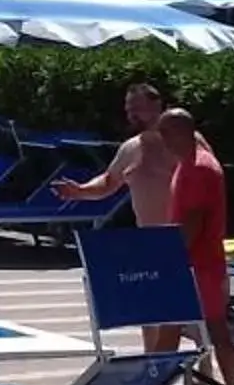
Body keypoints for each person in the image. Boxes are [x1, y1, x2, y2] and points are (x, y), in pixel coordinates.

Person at [54, 82, 183, 353]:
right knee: (150, 309)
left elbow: (208, 177)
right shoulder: (130, 148)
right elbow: (108, 182)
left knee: (188, 311)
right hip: (147, 237)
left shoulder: (183, 141)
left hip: (183, 237)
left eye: (138, 108)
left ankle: (205, 365)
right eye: (128, 109)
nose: (132, 114)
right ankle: (152, 364)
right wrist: (79, 191)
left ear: (158, 105)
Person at [158, 109, 234, 385]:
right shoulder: (199, 159)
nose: (163, 141)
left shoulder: (197, 168)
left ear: (180, 133)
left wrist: (170, 257)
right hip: (203, 262)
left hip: (198, 263)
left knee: (216, 329)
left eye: (166, 134)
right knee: (170, 323)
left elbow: (193, 221)